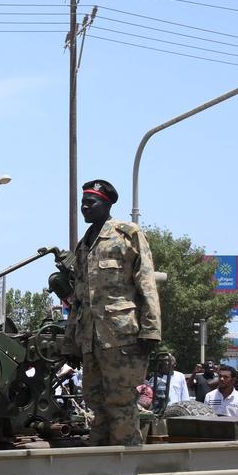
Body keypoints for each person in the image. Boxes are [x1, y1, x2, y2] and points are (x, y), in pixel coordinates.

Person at [62, 179, 161, 446]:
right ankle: (101, 459)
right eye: (82, 203)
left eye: (90, 202)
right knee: (96, 403)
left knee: (121, 404)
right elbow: (79, 298)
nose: (84, 207)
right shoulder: (84, 245)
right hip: (91, 340)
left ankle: (125, 461)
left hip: (122, 338)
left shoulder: (127, 235)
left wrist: (151, 330)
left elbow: (146, 283)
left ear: (106, 205)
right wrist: (71, 342)